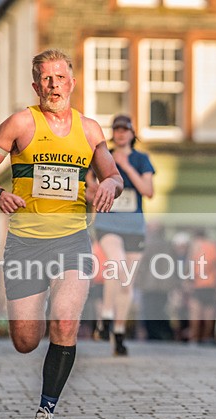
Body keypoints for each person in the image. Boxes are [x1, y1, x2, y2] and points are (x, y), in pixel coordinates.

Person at [0, 49, 123, 419]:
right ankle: (34, 342)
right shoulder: (21, 123)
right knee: (25, 340)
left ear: (72, 83)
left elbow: (114, 175)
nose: (54, 85)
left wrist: (109, 184)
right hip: (25, 242)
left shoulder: (90, 130)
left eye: (60, 78)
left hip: (72, 240)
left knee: (66, 323)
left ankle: (46, 413)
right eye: (46, 79)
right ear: (36, 85)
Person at [86, 114, 154, 355]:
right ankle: (105, 316)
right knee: (116, 263)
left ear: (133, 133)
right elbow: (89, 189)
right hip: (108, 223)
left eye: (125, 129)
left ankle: (119, 332)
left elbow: (148, 190)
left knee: (127, 282)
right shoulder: (102, 156)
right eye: (117, 129)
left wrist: (125, 167)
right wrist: (95, 188)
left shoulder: (141, 159)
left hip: (134, 227)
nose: (121, 133)